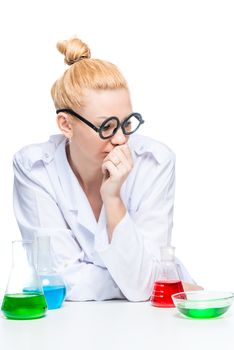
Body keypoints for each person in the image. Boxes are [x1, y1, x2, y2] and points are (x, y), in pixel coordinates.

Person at [13, 37, 200, 302]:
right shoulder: (34, 169)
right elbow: (57, 278)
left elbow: (142, 285)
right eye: (107, 127)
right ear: (66, 125)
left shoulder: (155, 162)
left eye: (127, 123)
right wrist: (151, 283)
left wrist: (113, 199)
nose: (121, 139)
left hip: (155, 316)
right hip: (73, 324)